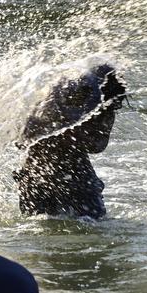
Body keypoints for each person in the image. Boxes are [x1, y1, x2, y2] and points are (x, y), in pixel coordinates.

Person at [15, 63, 127, 219]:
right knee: (36, 223)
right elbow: (22, 140)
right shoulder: (54, 101)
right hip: (38, 172)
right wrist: (62, 134)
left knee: (94, 222)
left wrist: (72, 136)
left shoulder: (105, 112)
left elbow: (98, 146)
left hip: (76, 171)